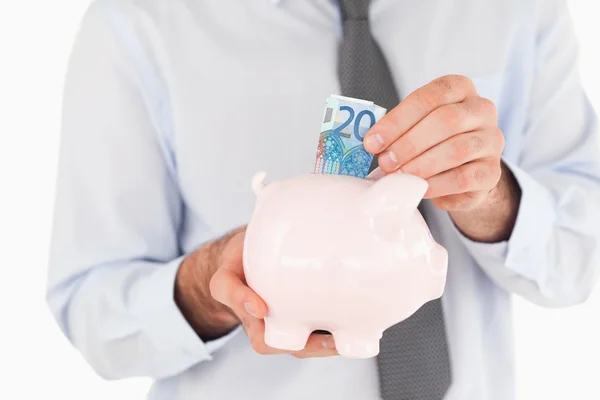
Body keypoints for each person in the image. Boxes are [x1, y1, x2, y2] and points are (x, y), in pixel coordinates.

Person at [46, 0, 600, 399]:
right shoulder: (136, 24)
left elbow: (580, 257)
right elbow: (92, 311)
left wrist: (493, 197)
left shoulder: (522, 10)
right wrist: (208, 288)